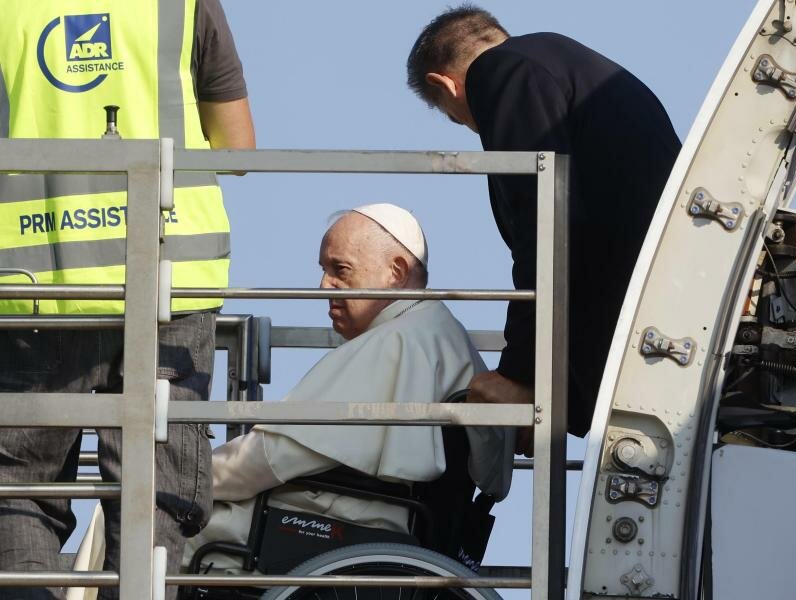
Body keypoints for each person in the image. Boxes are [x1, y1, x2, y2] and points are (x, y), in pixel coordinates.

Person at [0, 1, 255, 599]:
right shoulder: (184, 4)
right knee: (155, 483)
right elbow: (237, 149)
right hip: (169, 278)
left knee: (17, 487)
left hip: (41, 280)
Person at [406, 5, 681, 449]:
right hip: (659, 298)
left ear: (445, 84)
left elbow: (544, 226)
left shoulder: (501, 71)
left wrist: (516, 374)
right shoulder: (562, 63)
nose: (474, 127)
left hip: (631, 319)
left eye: (459, 118)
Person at [182, 204, 514, 570]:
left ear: (396, 272)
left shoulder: (399, 341)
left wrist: (189, 481)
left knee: (159, 530)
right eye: (323, 270)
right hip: (366, 525)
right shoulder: (437, 332)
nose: (324, 285)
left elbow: (271, 456)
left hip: (332, 526)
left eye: (340, 269)